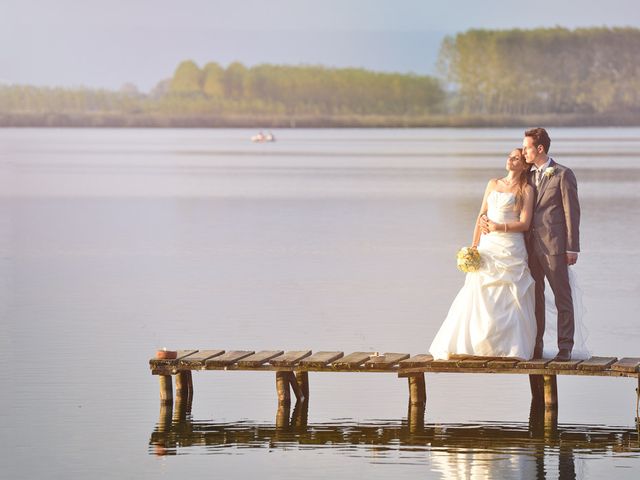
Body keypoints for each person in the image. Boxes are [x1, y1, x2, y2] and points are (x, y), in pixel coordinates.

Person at [429, 149, 537, 360]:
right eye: (509, 156)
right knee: (478, 292)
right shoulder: (493, 183)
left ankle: (510, 348)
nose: (510, 159)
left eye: (516, 158)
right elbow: (481, 216)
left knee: (510, 295)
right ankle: (475, 344)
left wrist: (498, 226)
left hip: (510, 246)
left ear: (524, 165)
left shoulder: (526, 190)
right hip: (488, 246)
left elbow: (524, 223)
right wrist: (474, 246)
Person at [518, 127, 580, 361]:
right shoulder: (527, 176)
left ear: (540, 148)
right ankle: (536, 345)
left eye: (527, 148)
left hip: (555, 247)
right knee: (535, 298)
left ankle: (565, 346)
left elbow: (571, 213)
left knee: (562, 296)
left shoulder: (563, 174)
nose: (524, 152)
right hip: (530, 248)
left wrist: (572, 247)